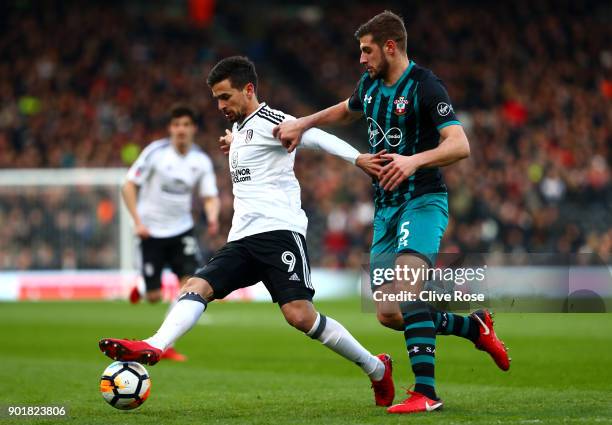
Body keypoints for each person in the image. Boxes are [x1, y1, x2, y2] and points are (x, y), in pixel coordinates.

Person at [99, 56, 395, 406]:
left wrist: (358, 158)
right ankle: (156, 344)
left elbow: (314, 135)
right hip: (241, 239)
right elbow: (248, 143)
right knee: (196, 286)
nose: (220, 105)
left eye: (225, 97)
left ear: (249, 89)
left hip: (279, 233)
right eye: (216, 99)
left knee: (300, 316)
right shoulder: (238, 130)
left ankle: (376, 369)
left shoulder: (274, 120)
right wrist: (233, 142)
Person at [273, 11, 510, 414]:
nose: (361, 59)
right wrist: (304, 122)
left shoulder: (425, 85)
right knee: (388, 313)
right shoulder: (369, 84)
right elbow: (348, 109)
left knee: (408, 289)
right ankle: (473, 326)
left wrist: (414, 161)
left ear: (390, 46)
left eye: (367, 51)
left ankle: (426, 392)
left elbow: (459, 144)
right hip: (385, 208)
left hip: (422, 200)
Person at [122, 104, 220, 361]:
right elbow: (129, 185)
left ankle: (166, 344)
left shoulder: (200, 161)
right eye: (177, 125)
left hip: (182, 230)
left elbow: (210, 196)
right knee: (154, 297)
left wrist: (212, 217)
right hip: (151, 231)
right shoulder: (155, 153)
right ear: (170, 128)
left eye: (186, 125)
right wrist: (137, 221)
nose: (181, 130)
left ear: (193, 129)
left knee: (189, 286)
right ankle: (144, 286)